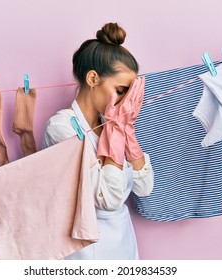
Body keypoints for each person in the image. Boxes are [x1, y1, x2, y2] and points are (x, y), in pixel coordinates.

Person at [42, 22, 154, 260]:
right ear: (93, 78)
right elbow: (108, 200)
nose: (127, 101)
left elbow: (144, 188)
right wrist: (116, 129)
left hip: (124, 243)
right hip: (88, 251)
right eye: (122, 90)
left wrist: (127, 130)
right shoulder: (61, 128)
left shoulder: (113, 122)